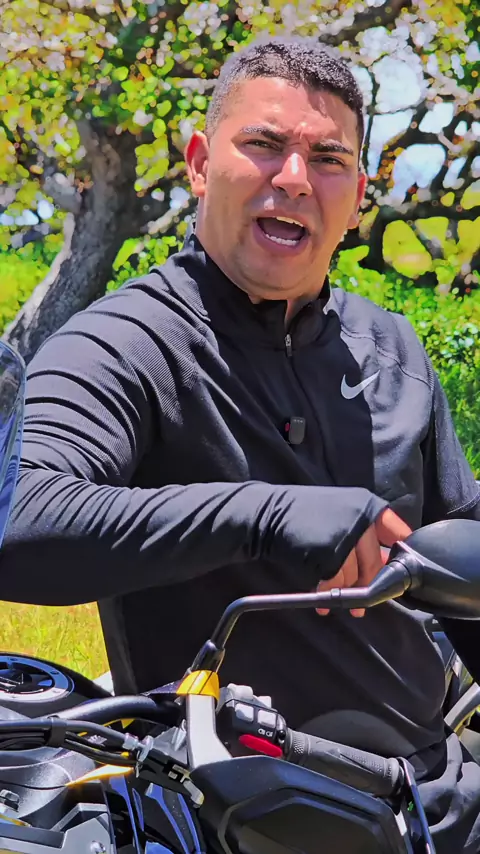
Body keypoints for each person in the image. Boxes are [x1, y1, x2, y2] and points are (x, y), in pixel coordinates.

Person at [2, 36, 480, 851]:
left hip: (437, 796)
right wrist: (264, 515)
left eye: (327, 158)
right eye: (263, 144)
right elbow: (21, 523)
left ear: (358, 196)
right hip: (245, 806)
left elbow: (464, 566)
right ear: (199, 164)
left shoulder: (394, 351)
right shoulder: (123, 344)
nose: (293, 178)